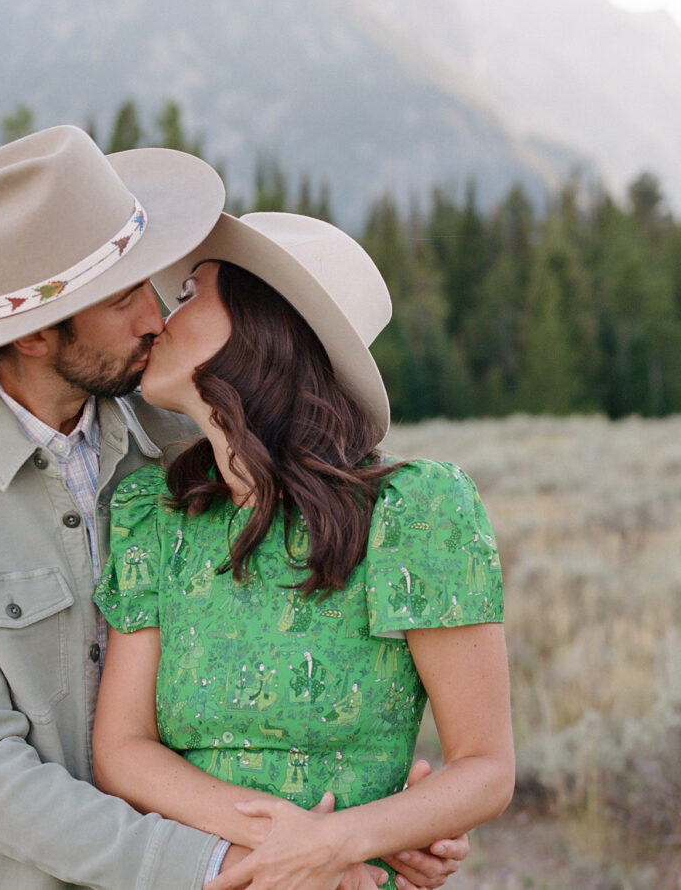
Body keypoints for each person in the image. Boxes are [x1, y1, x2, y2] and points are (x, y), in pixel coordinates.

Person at [0, 126, 471, 890]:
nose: (154, 316)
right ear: (35, 334)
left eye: (151, 282)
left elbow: (278, 672)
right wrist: (236, 866)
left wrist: (365, 819)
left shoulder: (195, 442)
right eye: (120, 298)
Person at [92, 212, 515, 890]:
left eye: (191, 296)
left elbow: (485, 767)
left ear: (262, 329)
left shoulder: (416, 512)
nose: (161, 321)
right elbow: (122, 749)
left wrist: (338, 845)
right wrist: (295, 848)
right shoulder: (155, 516)